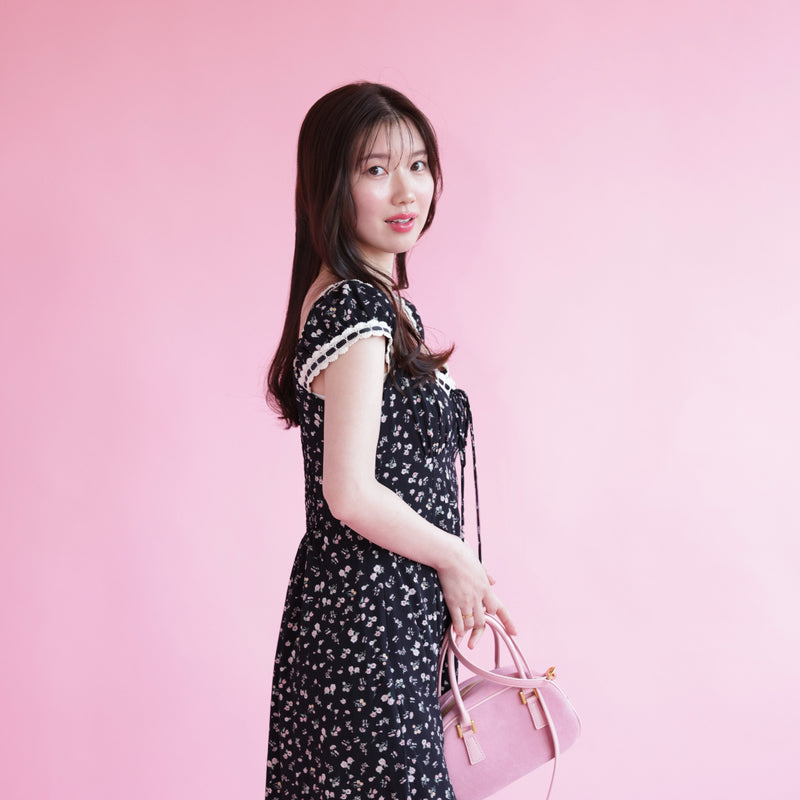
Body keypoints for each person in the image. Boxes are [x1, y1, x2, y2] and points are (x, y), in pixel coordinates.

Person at [265, 81, 516, 800]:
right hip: (370, 628)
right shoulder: (354, 308)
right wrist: (457, 559)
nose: (407, 190)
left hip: (379, 620)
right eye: (375, 169)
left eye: (418, 165)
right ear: (329, 186)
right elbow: (348, 492)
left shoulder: (374, 303)